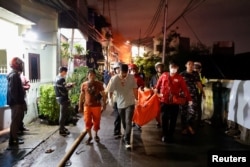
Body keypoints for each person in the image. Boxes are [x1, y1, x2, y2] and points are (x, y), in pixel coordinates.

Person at [154, 60, 192, 143]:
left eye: (175, 68)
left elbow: (185, 90)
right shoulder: (164, 75)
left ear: (177, 68)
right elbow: (158, 84)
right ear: (169, 67)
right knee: (164, 118)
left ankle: (170, 135)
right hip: (164, 101)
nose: (173, 69)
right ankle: (164, 134)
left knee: (173, 119)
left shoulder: (180, 78)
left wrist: (189, 99)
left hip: (174, 102)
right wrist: (156, 91)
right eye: (172, 67)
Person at [106, 64, 138, 149]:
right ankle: (125, 134)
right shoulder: (115, 78)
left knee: (128, 121)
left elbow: (135, 88)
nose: (123, 75)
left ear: (127, 72)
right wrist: (110, 99)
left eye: (125, 73)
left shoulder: (131, 78)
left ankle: (127, 140)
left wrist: (137, 99)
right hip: (120, 103)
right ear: (119, 71)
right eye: (122, 72)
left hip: (130, 102)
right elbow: (111, 90)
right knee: (124, 122)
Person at [78, 69, 106, 144]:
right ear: (88, 76)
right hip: (87, 106)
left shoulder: (99, 84)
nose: (92, 76)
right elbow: (82, 95)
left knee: (96, 122)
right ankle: (90, 136)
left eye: (93, 75)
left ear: (95, 76)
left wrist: (104, 104)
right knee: (87, 121)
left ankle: (96, 135)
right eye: (90, 75)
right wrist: (80, 105)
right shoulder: (84, 85)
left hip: (97, 106)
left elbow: (103, 94)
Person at [180, 60, 205, 135]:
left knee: (193, 111)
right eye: (189, 64)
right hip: (183, 96)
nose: (191, 66)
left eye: (192, 65)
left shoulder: (195, 74)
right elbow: (178, 84)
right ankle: (185, 128)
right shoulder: (182, 74)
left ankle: (189, 126)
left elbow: (198, 83)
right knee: (183, 112)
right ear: (186, 65)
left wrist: (203, 92)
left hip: (193, 95)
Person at [7, 57, 26, 145]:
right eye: (20, 64)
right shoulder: (14, 75)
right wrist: (19, 102)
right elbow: (13, 91)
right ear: (16, 65)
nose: (21, 66)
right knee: (15, 121)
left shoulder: (14, 74)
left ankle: (14, 138)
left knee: (16, 121)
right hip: (16, 103)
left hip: (16, 102)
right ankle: (13, 140)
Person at [54, 66, 74, 136]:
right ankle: (61, 130)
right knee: (62, 114)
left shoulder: (57, 78)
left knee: (62, 114)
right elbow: (64, 90)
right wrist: (71, 86)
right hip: (63, 98)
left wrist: (67, 85)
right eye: (65, 72)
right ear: (63, 71)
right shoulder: (62, 79)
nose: (66, 73)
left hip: (58, 98)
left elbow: (62, 87)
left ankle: (62, 127)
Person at [107, 62, 122, 138]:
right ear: (115, 70)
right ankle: (116, 131)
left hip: (125, 100)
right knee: (118, 116)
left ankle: (125, 132)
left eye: (120, 68)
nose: (118, 70)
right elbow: (110, 89)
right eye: (117, 69)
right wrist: (110, 99)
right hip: (116, 100)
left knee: (124, 117)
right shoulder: (113, 78)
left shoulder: (126, 78)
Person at [149, 62, 165, 128]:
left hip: (164, 95)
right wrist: (152, 88)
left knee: (164, 111)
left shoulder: (166, 75)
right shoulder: (153, 77)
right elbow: (151, 85)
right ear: (156, 69)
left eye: (161, 67)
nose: (160, 68)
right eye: (158, 67)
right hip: (156, 96)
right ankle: (158, 121)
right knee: (157, 110)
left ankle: (164, 122)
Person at [193, 61, 207, 126]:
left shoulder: (202, 75)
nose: (196, 69)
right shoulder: (190, 74)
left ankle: (199, 121)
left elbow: (204, 83)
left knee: (198, 107)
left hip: (198, 93)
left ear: (200, 69)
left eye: (197, 68)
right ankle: (191, 121)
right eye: (195, 67)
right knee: (191, 107)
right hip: (191, 93)